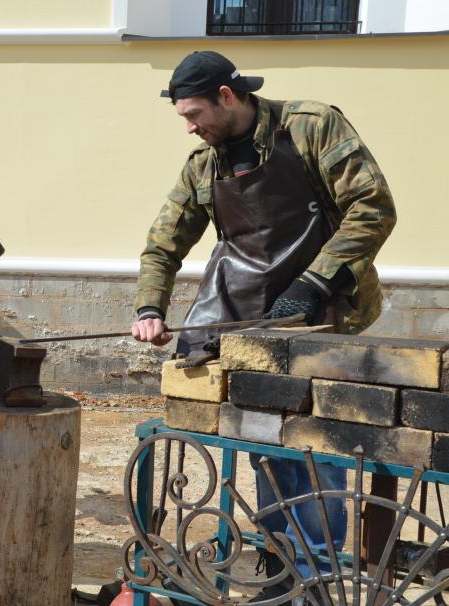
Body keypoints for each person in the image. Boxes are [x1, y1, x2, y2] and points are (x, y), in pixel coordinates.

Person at [130, 51, 396, 601]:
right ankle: (280, 567)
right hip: (246, 315)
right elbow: (162, 244)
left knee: (315, 445)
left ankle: (320, 578)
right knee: (263, 438)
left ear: (229, 97)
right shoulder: (203, 164)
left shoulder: (311, 126)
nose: (190, 126)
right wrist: (149, 308)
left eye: (195, 113)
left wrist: (315, 283)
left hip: (321, 314)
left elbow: (372, 205)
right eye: (183, 116)